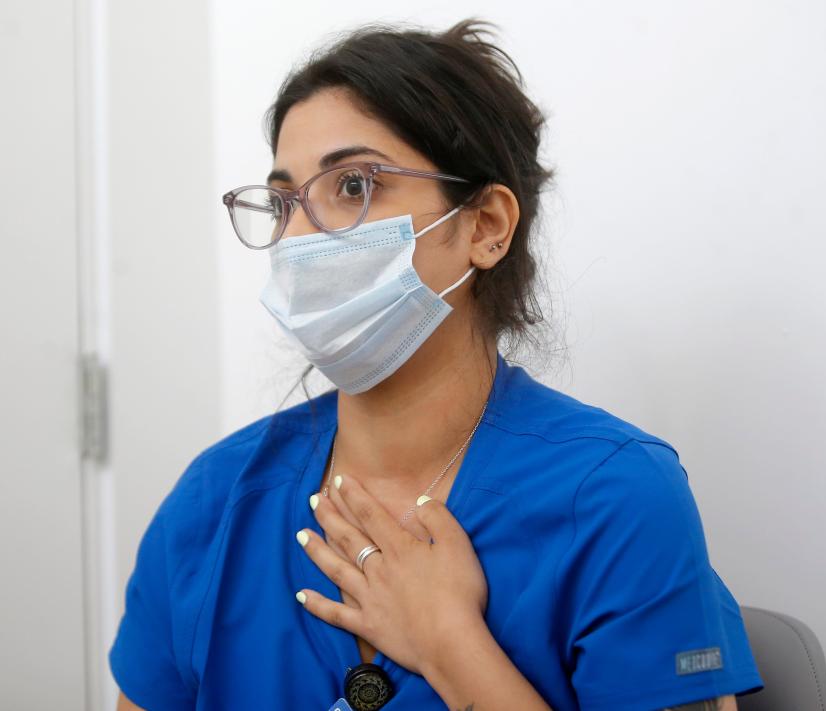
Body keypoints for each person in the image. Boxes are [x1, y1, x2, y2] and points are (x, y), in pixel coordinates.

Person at [109, 18, 764, 711]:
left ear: (484, 227)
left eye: (354, 186)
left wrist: (450, 644)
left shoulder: (617, 498)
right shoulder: (213, 501)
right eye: (284, 200)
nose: (298, 235)